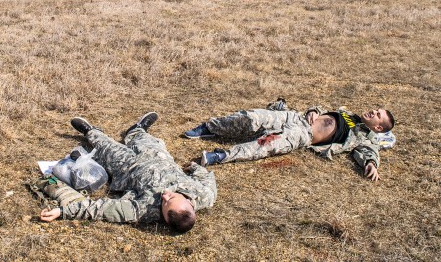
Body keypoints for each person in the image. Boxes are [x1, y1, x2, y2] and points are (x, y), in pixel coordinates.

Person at [37, 112, 216, 233]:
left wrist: (62, 212)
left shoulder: (144, 211)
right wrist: (194, 167)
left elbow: (103, 209)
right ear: (190, 204)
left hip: (127, 166)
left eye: (165, 203)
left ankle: (90, 131)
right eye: (172, 197)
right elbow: (206, 177)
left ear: (165, 219)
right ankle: (137, 130)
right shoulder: (204, 195)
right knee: (145, 139)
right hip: (158, 157)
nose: (165, 196)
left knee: (106, 146)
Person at [184, 102, 395, 181]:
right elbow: (320, 107)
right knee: (252, 117)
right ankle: (209, 128)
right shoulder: (349, 113)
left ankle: (221, 156)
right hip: (295, 118)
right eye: (376, 110)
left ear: (378, 127)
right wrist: (313, 110)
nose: (373, 111)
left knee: (266, 145)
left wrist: (371, 163)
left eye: (377, 115)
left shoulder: (364, 137)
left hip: (303, 136)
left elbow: (369, 152)